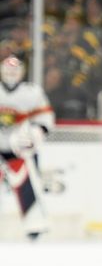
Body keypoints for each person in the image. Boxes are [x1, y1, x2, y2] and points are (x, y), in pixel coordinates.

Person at [0, 55, 55, 240]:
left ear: (22, 73)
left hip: (20, 149)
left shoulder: (32, 92)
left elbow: (45, 118)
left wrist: (35, 135)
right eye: (8, 71)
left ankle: (35, 226)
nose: (11, 75)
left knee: (27, 184)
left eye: (15, 71)